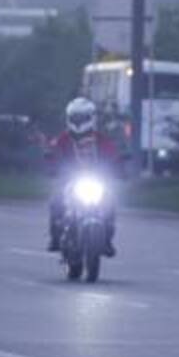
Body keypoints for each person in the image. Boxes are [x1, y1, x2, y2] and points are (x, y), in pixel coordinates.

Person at [46, 97, 122, 256]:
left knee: (110, 201)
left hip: (96, 179)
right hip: (70, 179)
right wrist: (52, 163)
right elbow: (54, 152)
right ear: (69, 119)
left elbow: (113, 153)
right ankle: (55, 236)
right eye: (75, 118)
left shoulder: (100, 139)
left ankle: (106, 239)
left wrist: (118, 164)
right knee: (56, 200)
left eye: (83, 118)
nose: (79, 122)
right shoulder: (64, 138)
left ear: (91, 118)